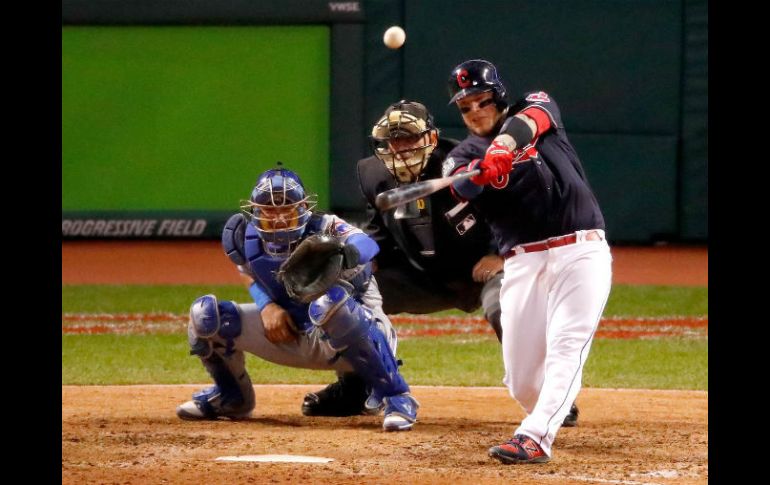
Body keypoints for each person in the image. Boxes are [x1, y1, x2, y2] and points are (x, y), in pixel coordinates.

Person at [303, 100, 579, 428]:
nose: (400, 149)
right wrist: (364, 263)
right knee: (349, 296)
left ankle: (552, 396)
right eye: (392, 142)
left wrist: (503, 256)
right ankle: (355, 387)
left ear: (431, 139)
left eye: (408, 139)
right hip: (422, 277)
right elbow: (380, 237)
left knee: (505, 306)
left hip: (483, 268)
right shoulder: (372, 173)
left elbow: (522, 215)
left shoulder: (463, 161)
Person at [444, 59, 612, 464]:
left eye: (481, 101)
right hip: (522, 263)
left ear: (498, 97)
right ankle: (554, 402)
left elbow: (531, 121)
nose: (475, 112)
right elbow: (460, 184)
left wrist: (503, 146)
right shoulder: (462, 154)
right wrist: (478, 173)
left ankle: (536, 436)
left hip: (580, 249)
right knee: (520, 381)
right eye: (465, 108)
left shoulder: (534, 106)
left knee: (566, 346)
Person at [175, 165, 419, 432]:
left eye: (286, 207)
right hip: (291, 332)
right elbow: (248, 274)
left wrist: (344, 254)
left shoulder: (326, 227)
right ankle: (232, 398)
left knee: (330, 304)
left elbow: (368, 245)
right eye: (269, 207)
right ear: (255, 209)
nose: (278, 216)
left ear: (303, 207)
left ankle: (396, 397)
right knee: (205, 315)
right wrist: (266, 305)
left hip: (358, 337)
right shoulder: (243, 236)